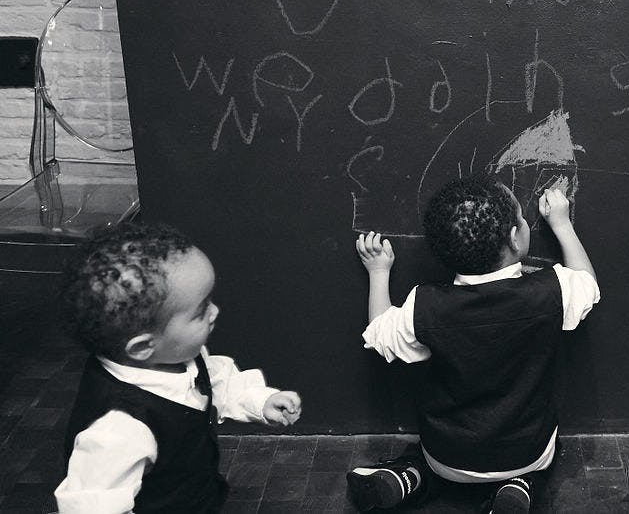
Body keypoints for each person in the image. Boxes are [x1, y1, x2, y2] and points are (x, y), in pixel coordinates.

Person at [347, 174, 599, 512]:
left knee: (428, 463)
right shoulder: (552, 291)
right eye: (521, 219)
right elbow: (588, 284)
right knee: (540, 466)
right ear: (514, 238)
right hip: (526, 451)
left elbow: (379, 332)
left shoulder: (425, 305)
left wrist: (379, 273)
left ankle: (409, 477)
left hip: (447, 453)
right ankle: (520, 488)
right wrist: (562, 224)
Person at [54, 223, 302, 513]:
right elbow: (92, 505)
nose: (215, 311)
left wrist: (259, 401)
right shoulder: (119, 429)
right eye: (201, 310)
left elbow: (214, 380)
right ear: (143, 346)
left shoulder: (175, 357)